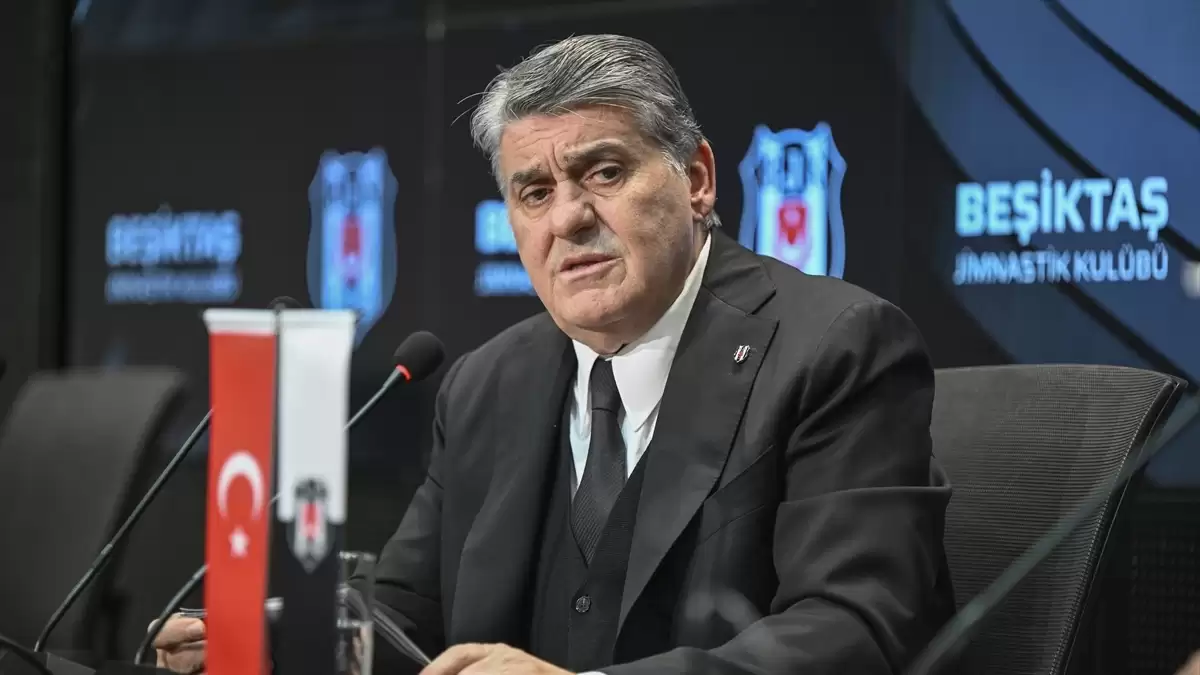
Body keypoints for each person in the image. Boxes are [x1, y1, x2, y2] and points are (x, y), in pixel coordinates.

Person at [155, 33, 956, 675]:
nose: (567, 218)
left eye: (603, 172)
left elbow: (854, 628)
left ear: (697, 179)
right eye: (534, 192)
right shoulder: (486, 384)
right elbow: (403, 619)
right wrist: (279, 639)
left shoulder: (834, 347)